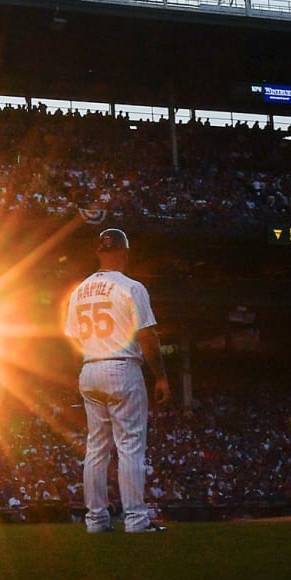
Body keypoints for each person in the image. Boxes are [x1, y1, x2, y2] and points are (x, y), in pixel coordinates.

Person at [64, 228, 170, 533]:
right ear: (126, 252)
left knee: (96, 449)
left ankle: (96, 520)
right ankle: (136, 520)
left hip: (90, 367)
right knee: (130, 447)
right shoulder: (131, 287)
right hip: (122, 366)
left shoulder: (79, 290)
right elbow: (147, 336)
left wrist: (85, 372)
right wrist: (161, 377)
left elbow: (72, 341)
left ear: (99, 252)